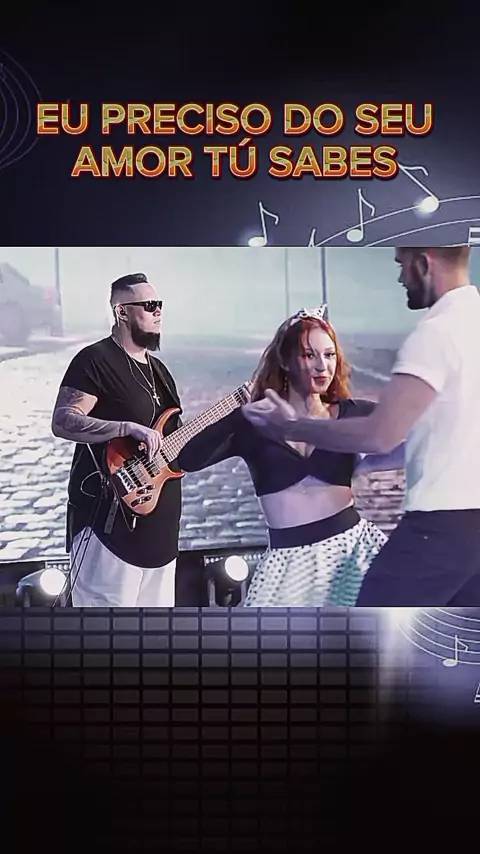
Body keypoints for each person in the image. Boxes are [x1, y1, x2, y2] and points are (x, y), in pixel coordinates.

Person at [243, 246, 480, 607]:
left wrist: (291, 427)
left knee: (370, 632)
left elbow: (380, 434)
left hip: (441, 527)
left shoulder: (436, 333)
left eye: (402, 265)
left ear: (423, 263)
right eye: (309, 355)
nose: (401, 278)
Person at [178, 306, 404, 607]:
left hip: (353, 555)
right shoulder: (254, 423)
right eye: (309, 355)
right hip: (288, 566)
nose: (322, 366)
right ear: (285, 361)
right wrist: (240, 414)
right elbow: (189, 459)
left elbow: (414, 440)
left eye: (329, 355)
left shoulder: (353, 413)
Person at [51, 272, 182, 607]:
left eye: (159, 304)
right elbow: (63, 420)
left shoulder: (160, 371)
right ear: (121, 311)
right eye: (149, 305)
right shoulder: (94, 360)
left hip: (160, 535)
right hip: (108, 530)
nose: (158, 311)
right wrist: (124, 428)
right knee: (106, 634)